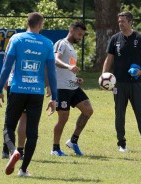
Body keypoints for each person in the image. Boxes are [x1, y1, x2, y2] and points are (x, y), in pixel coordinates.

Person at [0, 12, 57, 177]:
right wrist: (54, 98)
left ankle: (13, 151)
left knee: (9, 126)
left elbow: (6, 67)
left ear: (27, 23)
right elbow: (51, 73)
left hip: (16, 89)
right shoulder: (47, 43)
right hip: (36, 92)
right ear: (40, 25)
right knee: (33, 132)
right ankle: (23, 170)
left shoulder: (17, 39)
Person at [102, 11, 141, 153]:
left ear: (130, 21)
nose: (120, 24)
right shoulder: (115, 39)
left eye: (123, 21)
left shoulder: (140, 38)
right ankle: (121, 144)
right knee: (119, 113)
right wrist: (103, 76)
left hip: (137, 84)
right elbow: (109, 59)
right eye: (119, 21)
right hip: (119, 83)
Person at [51, 22, 93, 156]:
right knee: (63, 118)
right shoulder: (61, 43)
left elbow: (69, 69)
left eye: (82, 35)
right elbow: (55, 59)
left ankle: (73, 141)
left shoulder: (72, 48)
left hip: (72, 86)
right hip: (61, 87)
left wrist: (76, 78)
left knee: (88, 110)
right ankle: (55, 149)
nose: (80, 37)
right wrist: (69, 67)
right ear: (72, 30)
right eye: (79, 34)